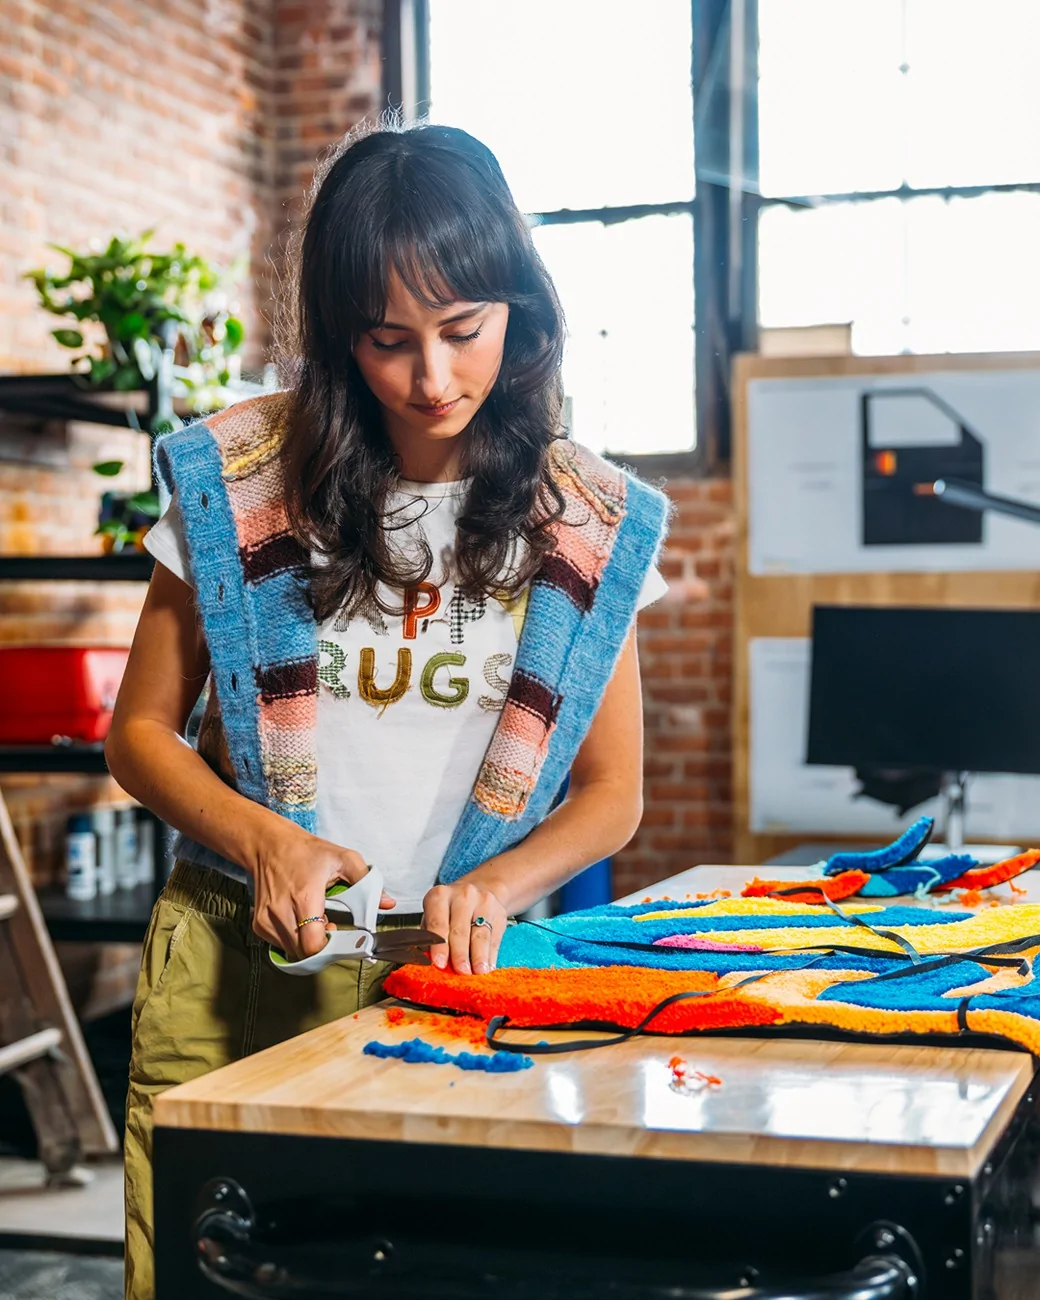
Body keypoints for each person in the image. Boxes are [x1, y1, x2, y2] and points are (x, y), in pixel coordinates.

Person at [106, 121, 669, 1299]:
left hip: (464, 973)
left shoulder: (579, 519)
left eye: (463, 331)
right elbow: (139, 734)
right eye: (387, 340)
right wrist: (269, 837)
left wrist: (503, 881)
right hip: (236, 970)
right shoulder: (243, 484)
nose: (432, 377)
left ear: (515, 305)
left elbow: (610, 793)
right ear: (337, 331)